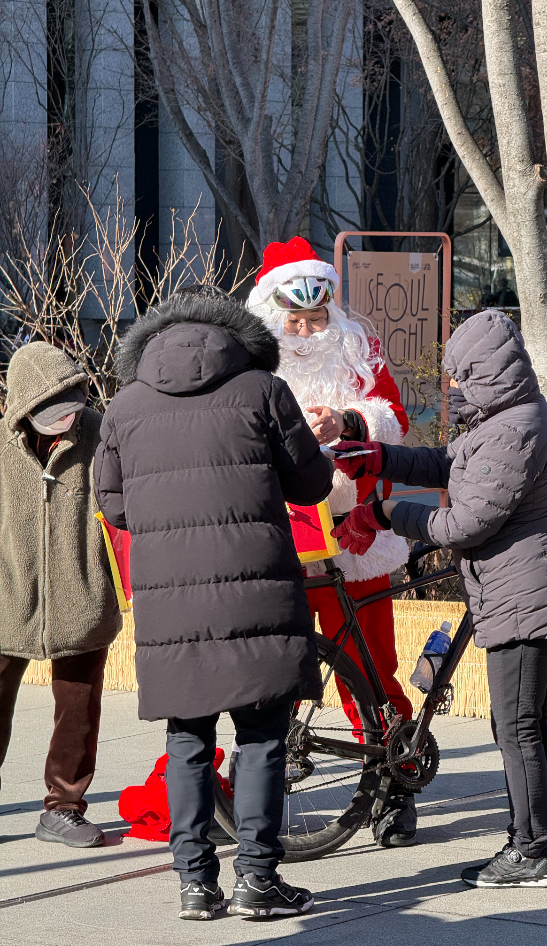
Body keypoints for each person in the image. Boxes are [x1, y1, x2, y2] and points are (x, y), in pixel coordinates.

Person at [332, 310, 547, 888]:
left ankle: (530, 849)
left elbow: (468, 521)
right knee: (537, 721)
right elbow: (450, 464)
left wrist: (383, 512)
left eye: (460, 375)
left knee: (516, 727)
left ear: (487, 370)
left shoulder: (516, 428)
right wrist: (379, 457)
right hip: (527, 589)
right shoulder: (502, 418)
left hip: (526, 595)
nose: (452, 386)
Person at [94, 286, 332, 920]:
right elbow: (311, 484)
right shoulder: (263, 390)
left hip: (171, 600)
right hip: (258, 588)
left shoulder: (125, 406)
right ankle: (257, 878)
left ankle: (195, 883)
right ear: (236, 330)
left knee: (188, 739)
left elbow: (112, 503)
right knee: (260, 737)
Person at [248, 236, 418, 847]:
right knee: (278, 663)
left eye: (317, 317)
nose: (308, 329)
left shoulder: (360, 350)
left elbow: (393, 420)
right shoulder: (252, 364)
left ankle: (395, 783)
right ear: (272, 314)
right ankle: (280, 765)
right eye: (295, 318)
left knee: (372, 666)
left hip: (352, 535)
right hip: (283, 535)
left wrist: (348, 423)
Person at [0, 342, 121, 848]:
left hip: (84, 599)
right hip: (7, 599)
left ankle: (63, 807)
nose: (64, 422)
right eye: (50, 412)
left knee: (79, 711)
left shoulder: (101, 434)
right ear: (24, 406)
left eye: (70, 407)